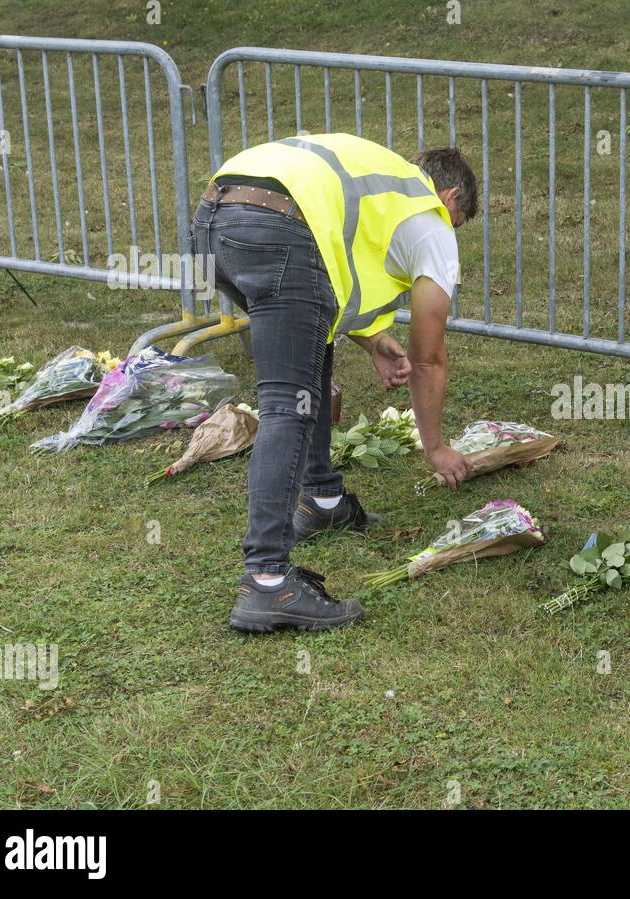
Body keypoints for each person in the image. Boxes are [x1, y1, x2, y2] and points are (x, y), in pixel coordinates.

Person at [191, 134, 478, 634]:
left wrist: (371, 340)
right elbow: (429, 356)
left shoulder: (381, 185)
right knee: (286, 406)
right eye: (458, 224)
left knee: (310, 351)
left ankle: (322, 499)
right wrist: (434, 447)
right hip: (280, 228)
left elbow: (341, 264)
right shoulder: (429, 216)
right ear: (451, 199)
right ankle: (266, 582)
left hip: (215, 219)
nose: (449, 236)